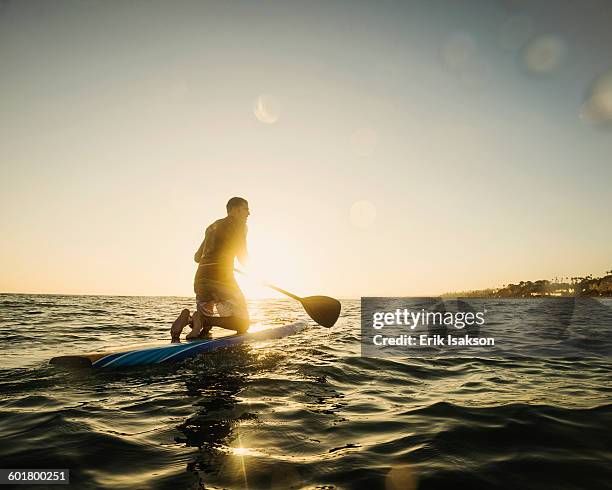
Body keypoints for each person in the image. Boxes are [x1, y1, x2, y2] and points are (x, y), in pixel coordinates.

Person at [171, 197, 250, 342]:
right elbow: (243, 259)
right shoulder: (239, 226)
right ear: (234, 209)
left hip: (200, 279)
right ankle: (203, 319)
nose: (248, 213)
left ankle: (189, 320)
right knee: (243, 324)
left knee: (204, 330)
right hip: (222, 279)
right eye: (245, 209)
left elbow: (197, 257)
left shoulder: (211, 227)